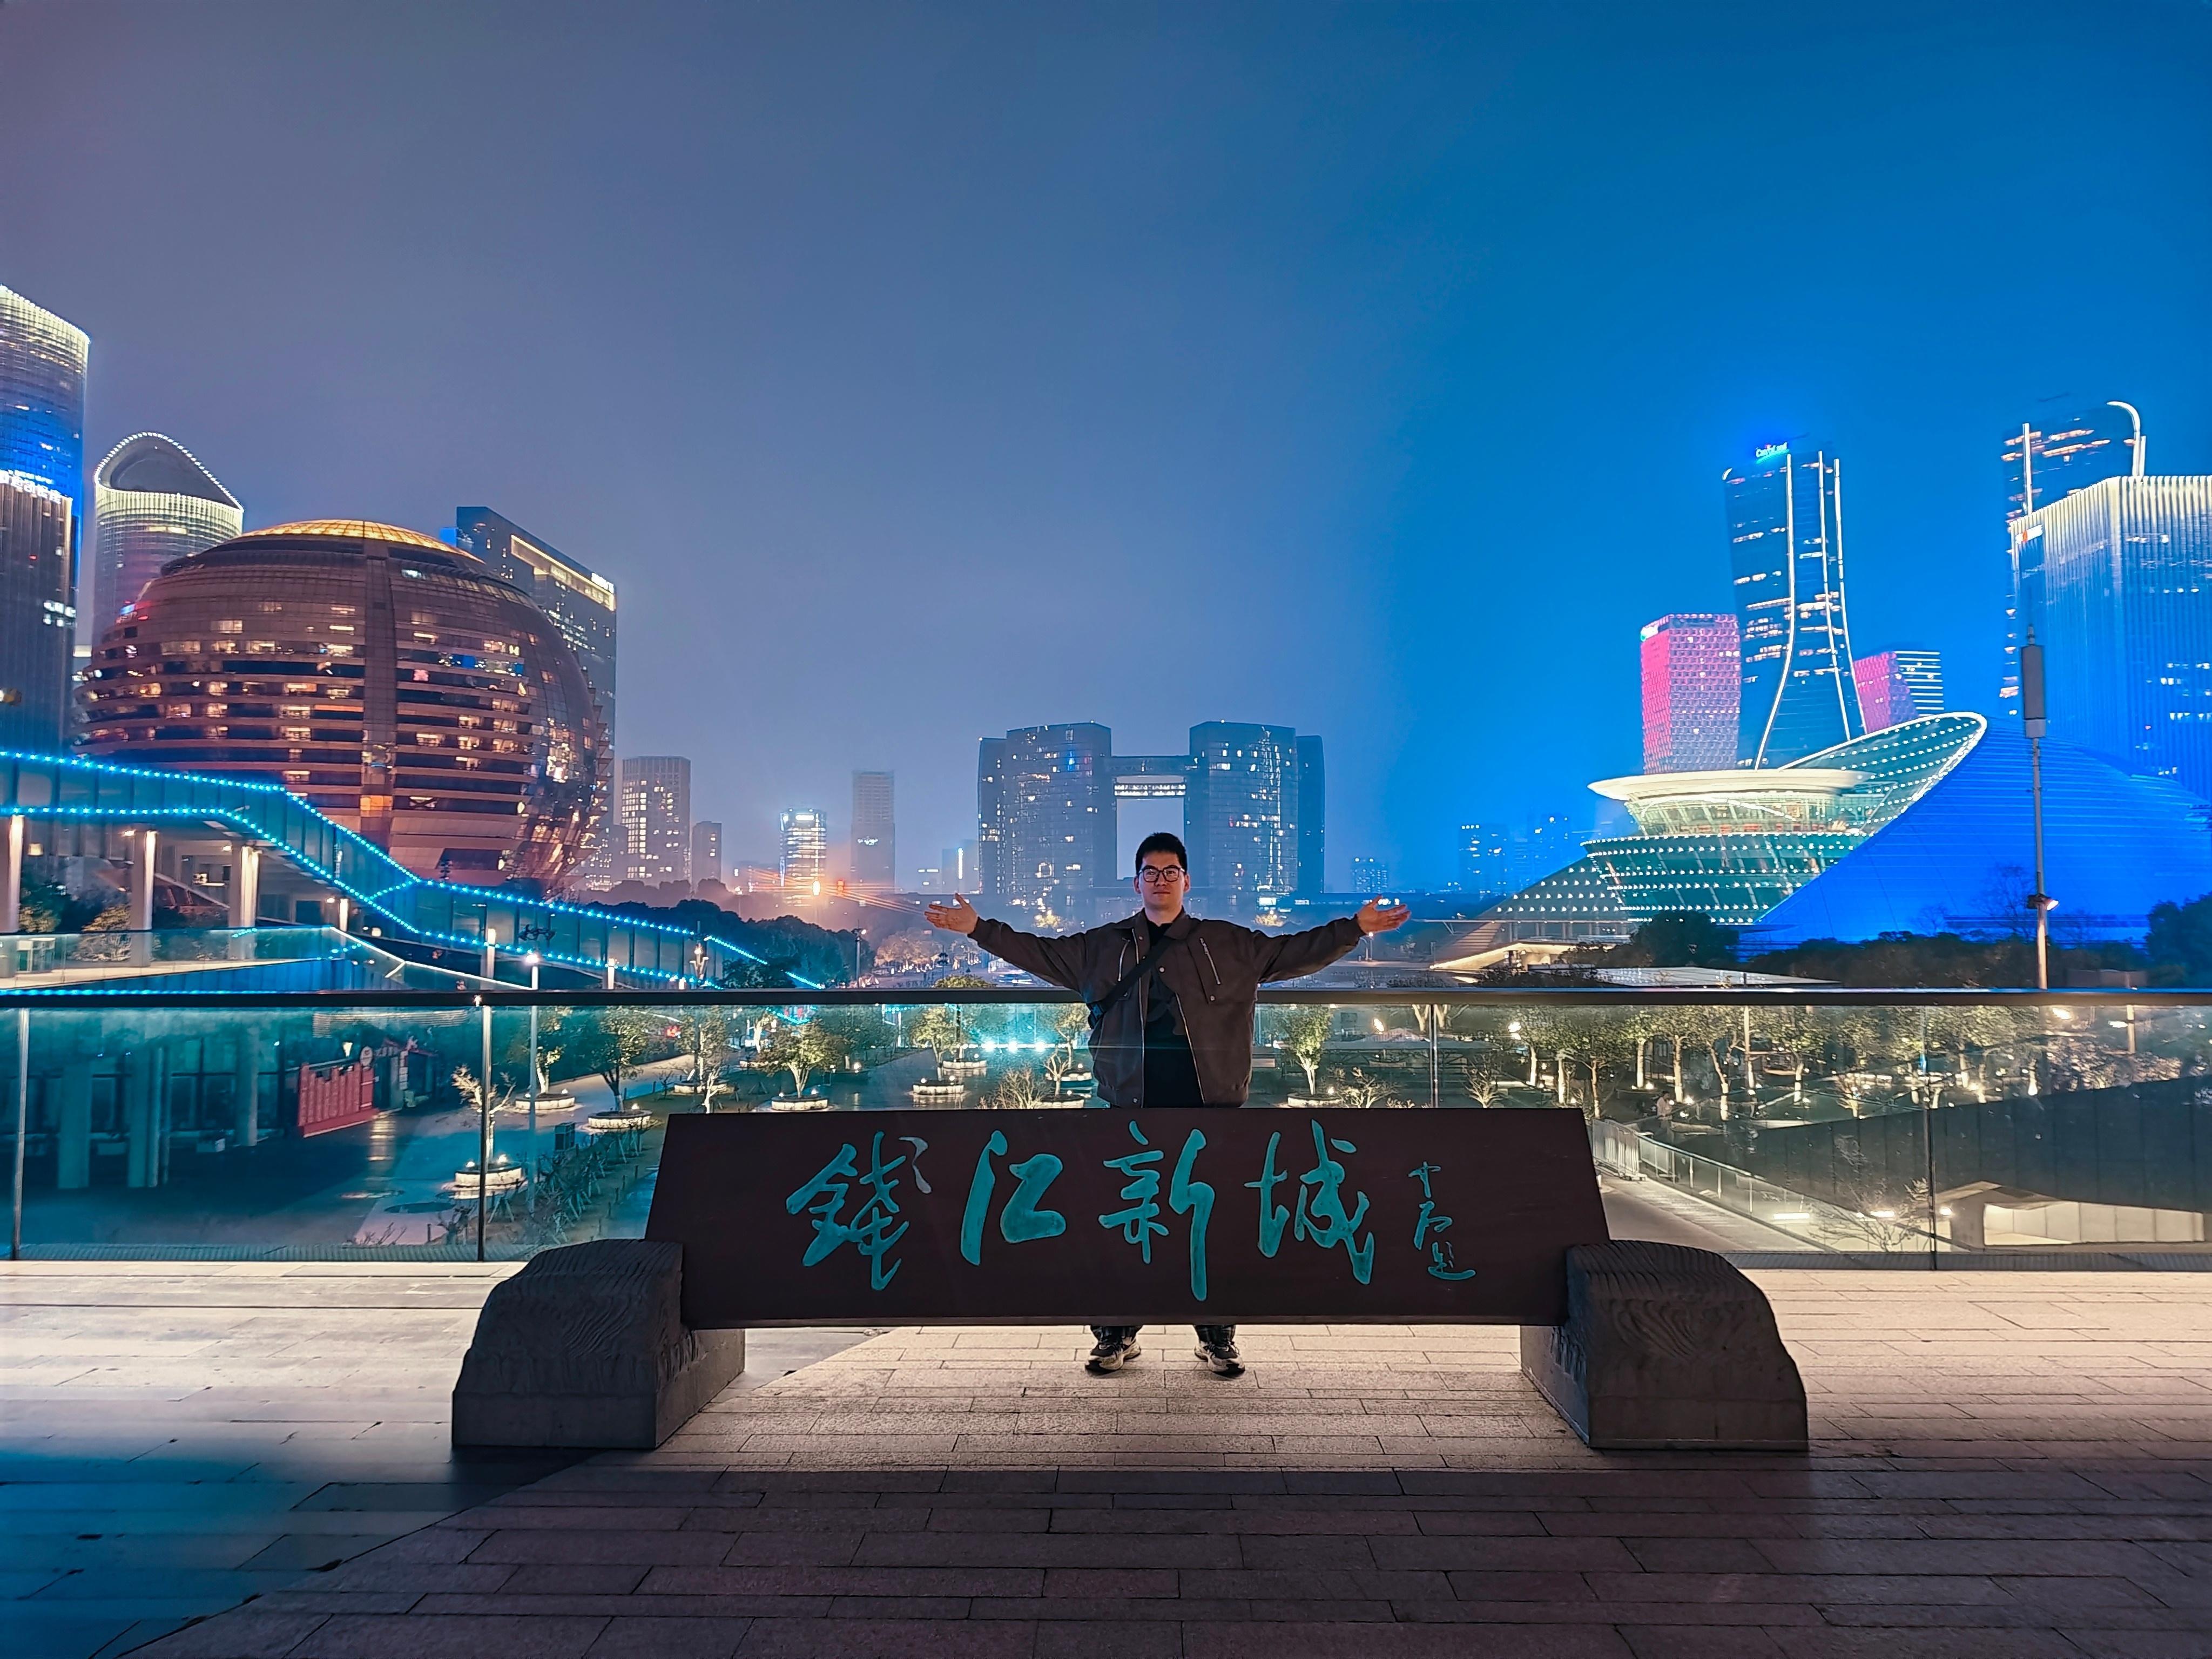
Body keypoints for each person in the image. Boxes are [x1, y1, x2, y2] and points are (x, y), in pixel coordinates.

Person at [924, 831, 1412, 1379]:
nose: (1160, 880)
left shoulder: (1227, 942)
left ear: (1185, 880)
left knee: (1216, 1222)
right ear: (1137, 883)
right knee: (1121, 1220)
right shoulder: (1103, 946)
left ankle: (1216, 1335)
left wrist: (1355, 929)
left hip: (1213, 1107)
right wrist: (977, 930)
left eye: (1170, 871)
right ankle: (1116, 1332)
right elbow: (1038, 952)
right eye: (1150, 872)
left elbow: (1293, 952)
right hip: (1129, 1107)